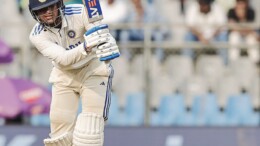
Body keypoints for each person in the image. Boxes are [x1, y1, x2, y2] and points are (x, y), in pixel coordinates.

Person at [28, 0, 120, 145]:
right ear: (35, 14)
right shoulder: (37, 35)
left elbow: (98, 33)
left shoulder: (80, 12)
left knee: (90, 130)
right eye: (42, 10)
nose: (48, 12)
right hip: (64, 75)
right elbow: (64, 59)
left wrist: (106, 41)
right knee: (60, 136)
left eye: (51, 7)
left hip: (93, 70)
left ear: (59, 5)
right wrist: (87, 46)